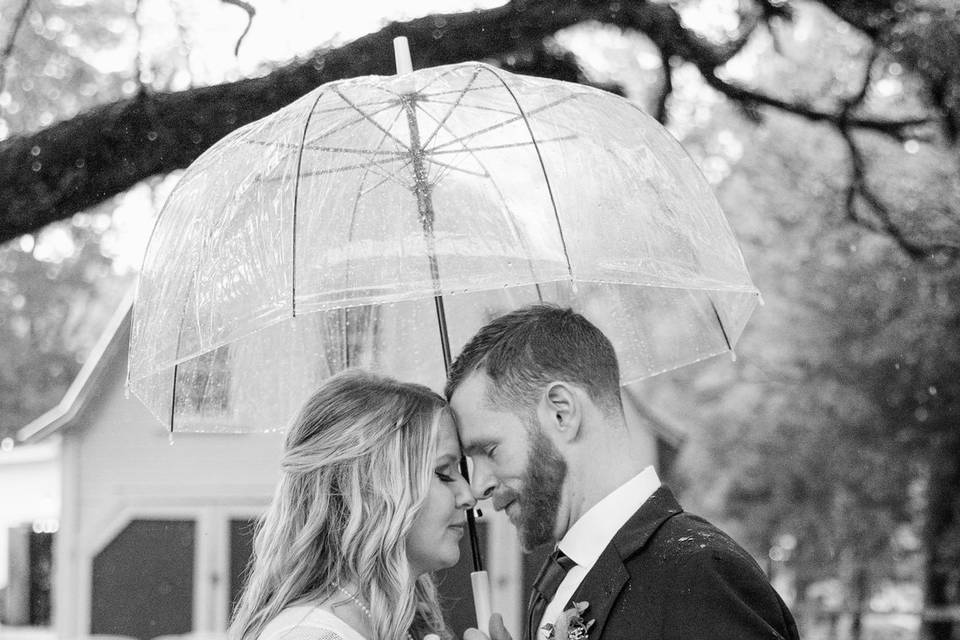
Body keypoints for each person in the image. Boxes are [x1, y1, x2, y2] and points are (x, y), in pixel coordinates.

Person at [445, 305, 800, 640]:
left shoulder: (699, 573)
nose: (478, 486)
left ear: (561, 413)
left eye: (489, 450)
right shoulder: (555, 580)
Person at [231, 370, 476, 640]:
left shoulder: (390, 624)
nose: (468, 495)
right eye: (443, 472)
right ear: (372, 488)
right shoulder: (310, 635)